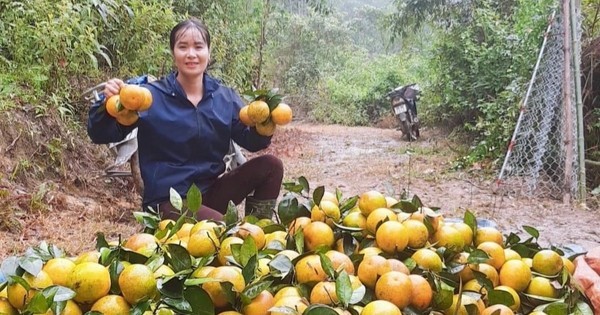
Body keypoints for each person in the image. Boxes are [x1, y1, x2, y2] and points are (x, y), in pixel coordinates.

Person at [87, 17, 284, 221]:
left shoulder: (224, 97)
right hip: (168, 202)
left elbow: (251, 141)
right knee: (229, 232)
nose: (191, 54)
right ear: (174, 53)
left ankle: (261, 234)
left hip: (209, 194)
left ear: (208, 52)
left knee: (271, 166)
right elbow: (99, 133)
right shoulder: (149, 97)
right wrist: (107, 106)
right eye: (183, 47)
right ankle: (240, 238)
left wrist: (265, 123)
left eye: (198, 47)